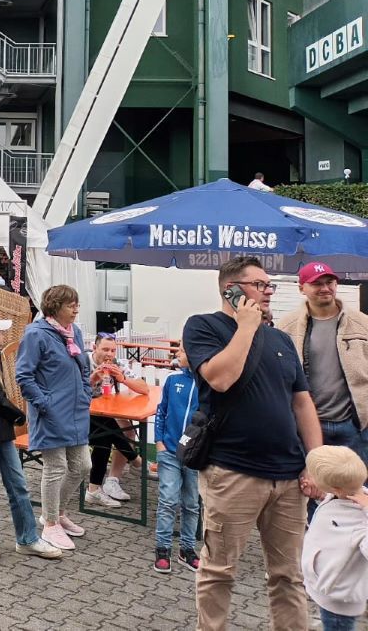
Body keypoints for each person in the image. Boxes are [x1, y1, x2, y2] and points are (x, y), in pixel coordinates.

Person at [182, 256, 322, 631]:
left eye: (269, 285)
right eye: (260, 284)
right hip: (233, 473)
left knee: (289, 575)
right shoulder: (203, 327)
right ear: (231, 288)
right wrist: (245, 327)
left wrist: (314, 460)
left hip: (289, 477)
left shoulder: (280, 339)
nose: (269, 291)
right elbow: (221, 379)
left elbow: (301, 401)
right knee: (219, 571)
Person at [0, 313, 61, 563]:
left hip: (0, 428)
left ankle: (27, 538)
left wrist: (13, 416)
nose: (3, 335)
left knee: (17, 484)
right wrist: (19, 415)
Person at [15, 284, 92, 553]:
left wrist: (85, 392)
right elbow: (24, 375)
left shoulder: (76, 333)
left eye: (77, 304)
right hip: (50, 413)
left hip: (75, 411)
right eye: (71, 305)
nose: (76, 309)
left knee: (83, 465)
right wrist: (44, 403)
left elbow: (84, 365)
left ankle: (57, 512)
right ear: (55, 307)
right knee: (56, 466)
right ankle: (49, 524)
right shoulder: (36, 334)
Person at [277, 262, 368, 465]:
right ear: (302, 288)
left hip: (355, 426)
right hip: (306, 426)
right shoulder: (286, 327)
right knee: (313, 489)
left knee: (357, 490)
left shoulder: (362, 324)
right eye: (317, 283)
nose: (325, 288)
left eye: (330, 282)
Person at [301, 445, 368, 631]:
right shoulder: (345, 495)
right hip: (327, 590)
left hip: (340, 601)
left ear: (336, 487)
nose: (310, 478)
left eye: (313, 475)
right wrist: (320, 496)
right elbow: (334, 514)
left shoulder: (361, 517)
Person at [84, 332, 150, 507]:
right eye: (105, 349)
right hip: (77, 415)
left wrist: (123, 378)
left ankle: (112, 481)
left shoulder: (117, 364)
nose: (109, 354)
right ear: (94, 347)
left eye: (113, 350)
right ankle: (135, 460)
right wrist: (92, 380)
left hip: (100, 414)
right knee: (105, 430)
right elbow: (71, 392)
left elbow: (144, 388)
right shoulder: (83, 362)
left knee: (125, 428)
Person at [153, 343, 201, 574]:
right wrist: (159, 442)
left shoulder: (208, 386)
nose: (177, 354)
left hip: (195, 456)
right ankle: (162, 549)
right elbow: (162, 410)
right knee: (168, 500)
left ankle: (187, 549)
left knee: (191, 504)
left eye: (181, 351)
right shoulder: (173, 381)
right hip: (170, 451)